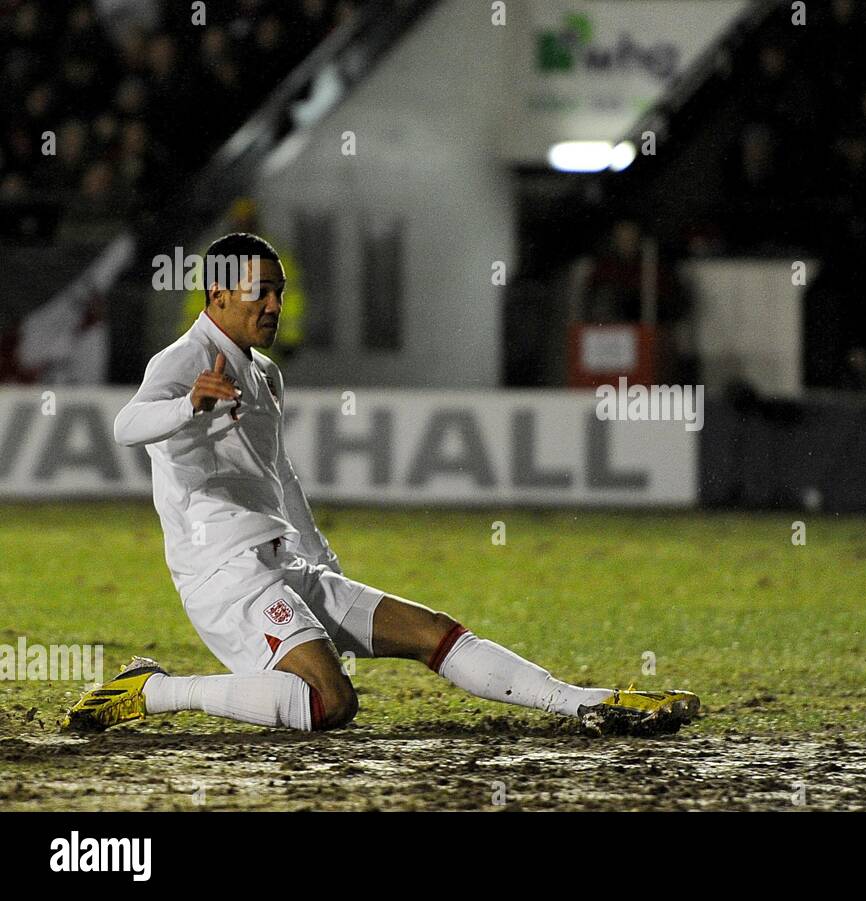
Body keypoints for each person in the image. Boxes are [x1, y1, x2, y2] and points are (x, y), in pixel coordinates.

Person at [63, 233, 699, 736]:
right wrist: (186, 408)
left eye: (279, 292)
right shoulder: (181, 362)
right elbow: (125, 425)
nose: (275, 306)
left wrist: (318, 557)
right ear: (218, 296)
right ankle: (154, 690)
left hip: (283, 564)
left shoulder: (264, 374)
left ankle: (582, 702)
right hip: (223, 575)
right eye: (261, 293)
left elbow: (279, 473)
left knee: (433, 632)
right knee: (330, 702)